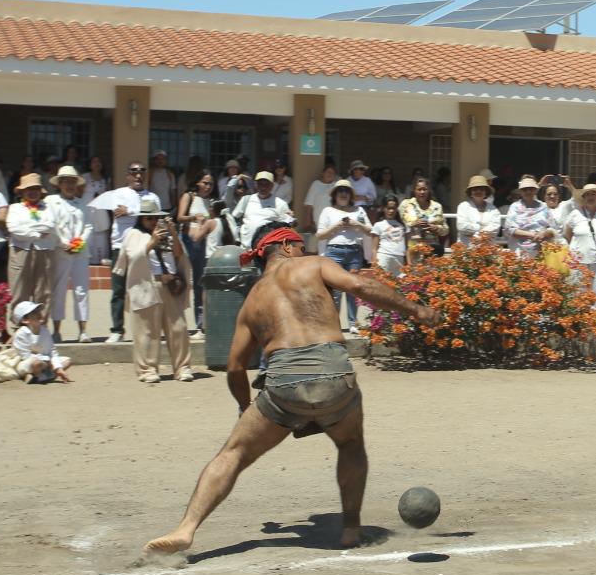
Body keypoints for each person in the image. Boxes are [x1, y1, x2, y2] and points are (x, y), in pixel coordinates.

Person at [142, 227, 440, 556]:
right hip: (333, 377)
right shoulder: (314, 264)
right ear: (286, 245)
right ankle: (351, 528)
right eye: (300, 245)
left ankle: (186, 529)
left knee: (233, 453)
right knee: (351, 443)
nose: (303, 249)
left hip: (283, 386)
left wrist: (245, 408)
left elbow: (235, 366)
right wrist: (417, 310)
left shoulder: (252, 299)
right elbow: (359, 285)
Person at [119, 196, 195, 384]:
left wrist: (174, 233)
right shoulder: (133, 235)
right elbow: (132, 259)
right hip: (146, 286)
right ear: (141, 219)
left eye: (155, 218)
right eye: (148, 218)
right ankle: (147, 370)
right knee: (147, 332)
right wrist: (151, 242)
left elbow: (179, 255)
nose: (152, 222)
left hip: (170, 286)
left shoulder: (167, 233)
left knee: (179, 329)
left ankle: (182, 368)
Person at [104, 161, 155, 345]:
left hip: (144, 247)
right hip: (121, 247)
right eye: (134, 172)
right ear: (128, 175)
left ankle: (143, 330)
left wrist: (131, 211)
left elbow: (151, 215)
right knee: (118, 291)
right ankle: (117, 330)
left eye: (142, 171)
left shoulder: (153, 197)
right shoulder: (118, 194)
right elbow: (119, 212)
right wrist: (135, 212)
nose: (138, 175)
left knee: (144, 290)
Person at [317, 179, 374, 328]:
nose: (343, 194)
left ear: (350, 195)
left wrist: (357, 224)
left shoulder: (359, 211)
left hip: (354, 252)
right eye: (340, 191)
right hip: (334, 252)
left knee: (353, 288)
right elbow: (319, 235)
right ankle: (333, 325)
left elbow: (370, 230)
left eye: (346, 191)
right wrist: (336, 226)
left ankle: (352, 323)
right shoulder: (327, 211)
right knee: (334, 289)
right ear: (335, 195)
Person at [45, 166, 93, 343]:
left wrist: (80, 242)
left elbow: (88, 226)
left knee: (81, 290)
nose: (70, 185)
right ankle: (56, 330)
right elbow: (51, 225)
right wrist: (62, 243)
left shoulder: (83, 204)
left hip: (80, 252)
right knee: (59, 290)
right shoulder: (51, 201)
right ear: (59, 184)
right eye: (66, 181)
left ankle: (83, 330)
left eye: (72, 181)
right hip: (61, 252)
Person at [4, 173, 57, 329]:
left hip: (45, 251)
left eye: (35, 188)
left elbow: (50, 225)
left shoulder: (48, 207)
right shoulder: (15, 208)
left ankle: (40, 327)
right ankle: (18, 327)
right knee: (19, 290)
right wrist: (37, 234)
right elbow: (13, 228)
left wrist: (28, 231)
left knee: (44, 291)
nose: (32, 192)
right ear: (22, 192)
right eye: (28, 189)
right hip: (20, 251)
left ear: (41, 191)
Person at [176, 171, 219, 336]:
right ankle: (179, 324)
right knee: (183, 282)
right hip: (186, 242)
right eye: (205, 182)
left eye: (210, 184)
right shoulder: (189, 196)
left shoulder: (210, 202)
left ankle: (200, 325)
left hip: (202, 245)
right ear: (197, 182)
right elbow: (179, 217)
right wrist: (194, 217)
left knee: (199, 285)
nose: (207, 186)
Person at [0, 300, 73, 383]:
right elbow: (25, 356)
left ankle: (39, 376)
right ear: (25, 320)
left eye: (38, 311)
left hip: (45, 362)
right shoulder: (21, 333)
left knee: (67, 361)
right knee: (36, 363)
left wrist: (58, 368)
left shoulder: (45, 331)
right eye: (34, 312)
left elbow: (52, 351)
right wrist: (46, 361)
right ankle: (40, 375)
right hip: (26, 364)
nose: (39, 314)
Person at [564, 183, 596, 309]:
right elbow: (567, 233)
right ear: (583, 197)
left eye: (593, 194)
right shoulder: (575, 214)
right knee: (577, 294)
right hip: (578, 262)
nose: (590, 197)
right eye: (587, 195)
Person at [233, 171, 293, 251]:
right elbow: (233, 219)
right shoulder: (246, 200)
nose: (263, 187)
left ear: (272, 186)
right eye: (260, 184)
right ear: (255, 185)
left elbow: (287, 225)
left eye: (266, 184)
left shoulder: (280, 204)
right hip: (246, 250)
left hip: (266, 252)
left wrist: (291, 220)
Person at [504, 176, 558, 258]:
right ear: (521, 192)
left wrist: (544, 233)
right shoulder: (515, 207)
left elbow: (553, 228)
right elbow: (510, 229)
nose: (528, 191)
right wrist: (532, 235)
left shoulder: (543, 207)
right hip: (519, 253)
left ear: (536, 190)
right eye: (525, 189)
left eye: (531, 189)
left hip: (541, 253)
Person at [399, 178, 449, 261]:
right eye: (419, 189)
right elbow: (402, 224)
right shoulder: (406, 205)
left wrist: (436, 228)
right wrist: (413, 223)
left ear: (429, 190)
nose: (422, 192)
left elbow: (446, 229)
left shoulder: (437, 206)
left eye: (425, 189)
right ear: (414, 190)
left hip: (433, 249)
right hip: (414, 249)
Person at [300, 162, 339, 254]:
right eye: (328, 172)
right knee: (319, 244)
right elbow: (309, 204)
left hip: (333, 220)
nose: (330, 174)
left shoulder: (336, 186)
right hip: (318, 220)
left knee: (331, 244)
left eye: (332, 173)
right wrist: (308, 220)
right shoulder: (316, 184)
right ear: (322, 173)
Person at [455, 175, 503, 245]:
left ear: (486, 192)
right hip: (466, 249)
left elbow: (495, 228)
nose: (478, 191)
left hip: (487, 250)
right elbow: (462, 226)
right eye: (475, 189)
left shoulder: (493, 209)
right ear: (470, 192)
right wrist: (481, 228)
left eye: (481, 189)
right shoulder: (463, 206)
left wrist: (474, 233)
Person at [84, 156, 112, 264]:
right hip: (88, 210)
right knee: (88, 233)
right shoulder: (85, 177)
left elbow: (109, 196)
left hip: (101, 212)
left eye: (99, 161)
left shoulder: (106, 179)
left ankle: (100, 261)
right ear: (90, 164)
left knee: (101, 234)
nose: (97, 164)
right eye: (94, 161)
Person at [372, 197, 408, 276]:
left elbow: (407, 247)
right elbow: (374, 248)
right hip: (384, 257)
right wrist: (374, 263)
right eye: (388, 208)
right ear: (383, 208)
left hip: (399, 258)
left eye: (393, 208)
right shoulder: (378, 225)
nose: (391, 211)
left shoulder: (402, 225)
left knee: (399, 284)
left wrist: (409, 263)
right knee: (382, 283)